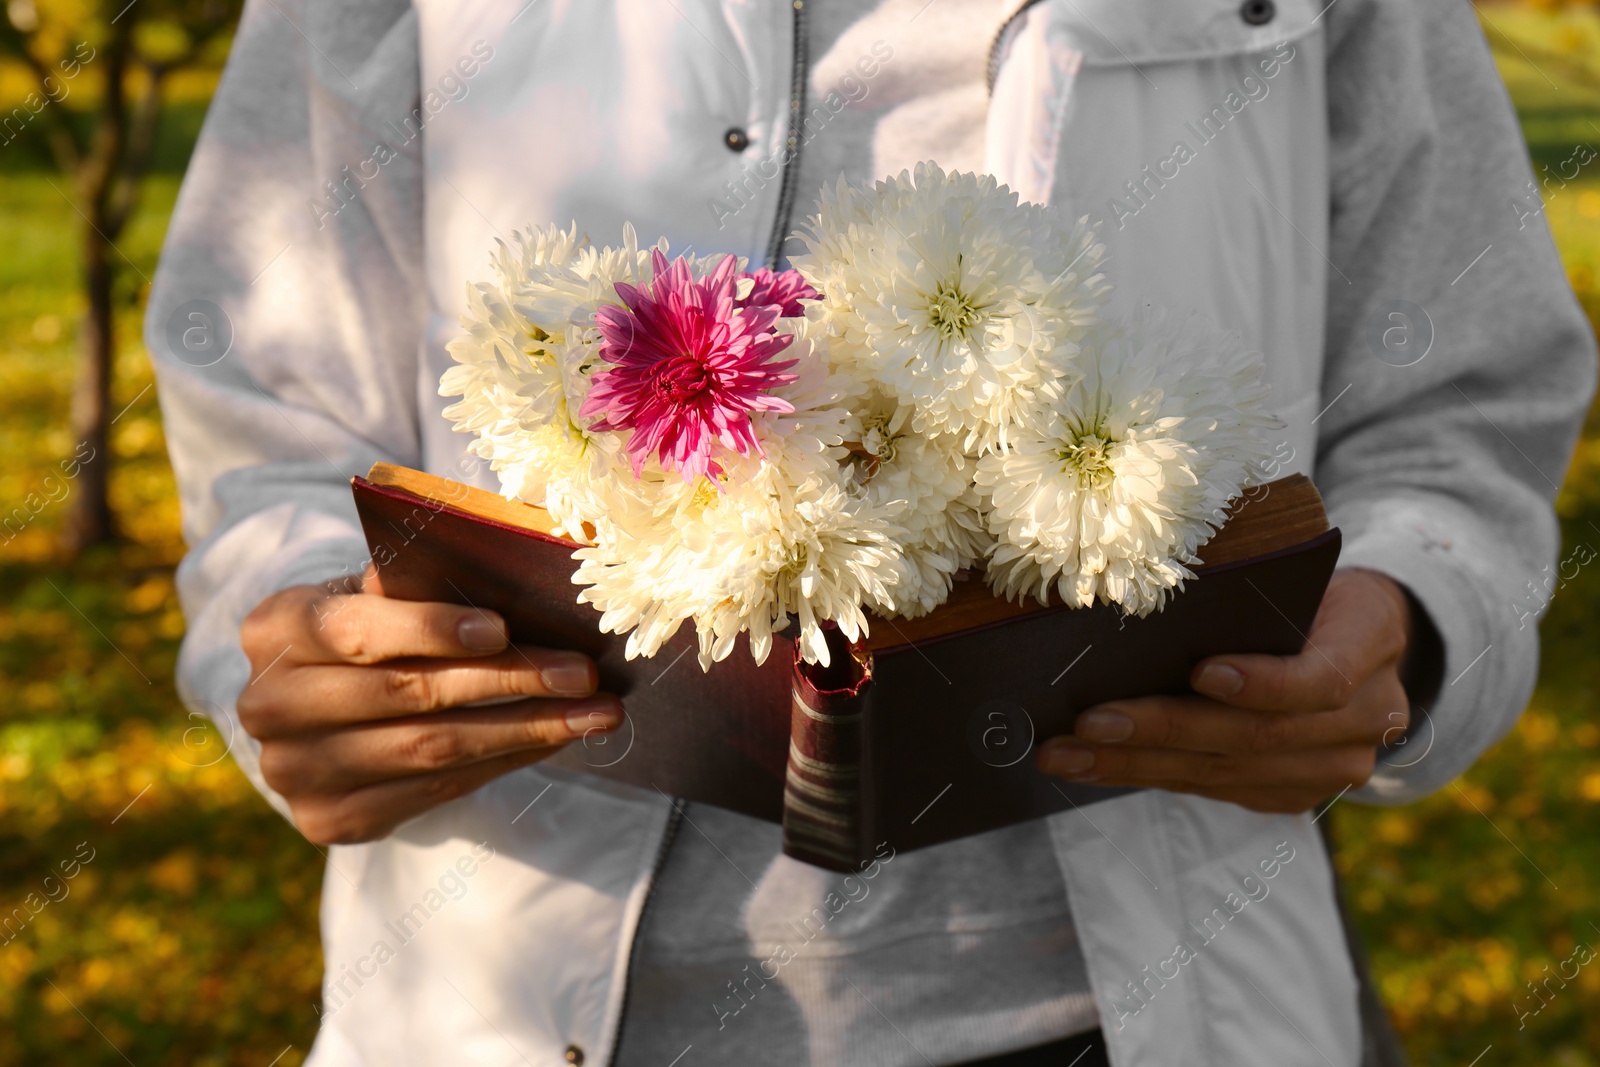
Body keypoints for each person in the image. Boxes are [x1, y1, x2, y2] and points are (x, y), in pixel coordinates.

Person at [147, 0, 1596, 1064]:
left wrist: (1403, 629)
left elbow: (1461, 391)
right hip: (503, 1009)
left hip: (1153, 1015)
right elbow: (265, 398)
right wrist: (295, 655)